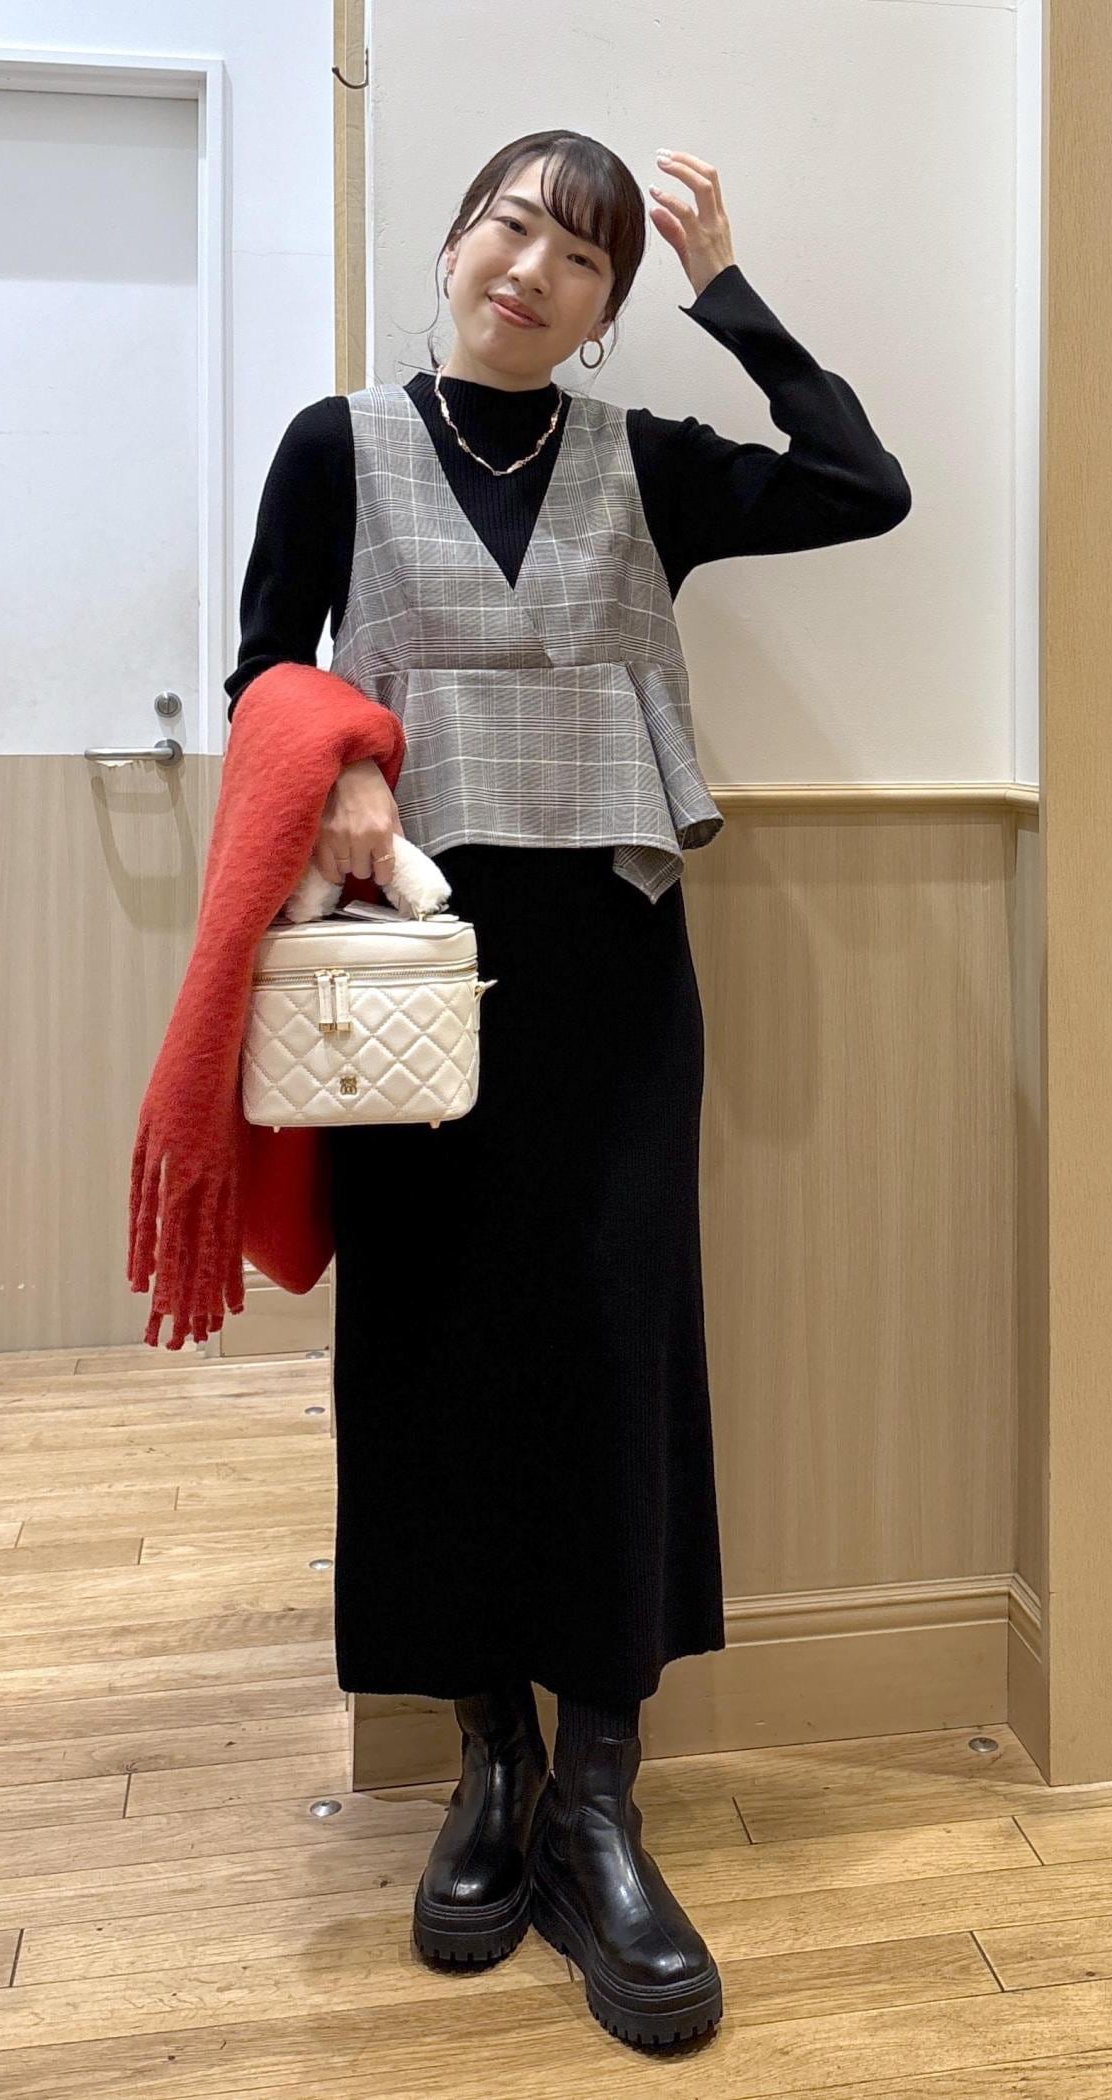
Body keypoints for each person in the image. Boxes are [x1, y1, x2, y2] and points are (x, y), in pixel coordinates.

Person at [225, 130, 910, 2051]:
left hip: (613, 972)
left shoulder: (647, 465)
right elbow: (260, 666)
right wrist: (345, 754)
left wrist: (728, 289)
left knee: (619, 1349)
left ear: (608, 309)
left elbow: (863, 485)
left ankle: (602, 1798)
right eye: (513, 224)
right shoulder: (336, 446)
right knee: (432, 1350)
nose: (534, 267)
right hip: (412, 984)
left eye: (584, 255)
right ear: (457, 242)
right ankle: (488, 1767)